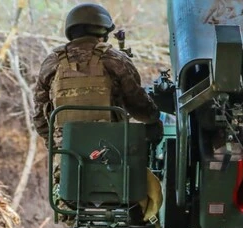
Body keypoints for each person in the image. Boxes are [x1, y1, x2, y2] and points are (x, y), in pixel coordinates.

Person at [33, 3, 162, 144]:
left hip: (67, 154)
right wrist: (154, 117)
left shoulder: (52, 61)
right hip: (112, 151)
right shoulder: (115, 58)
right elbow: (139, 104)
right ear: (102, 30)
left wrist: (55, 146)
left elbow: (40, 116)